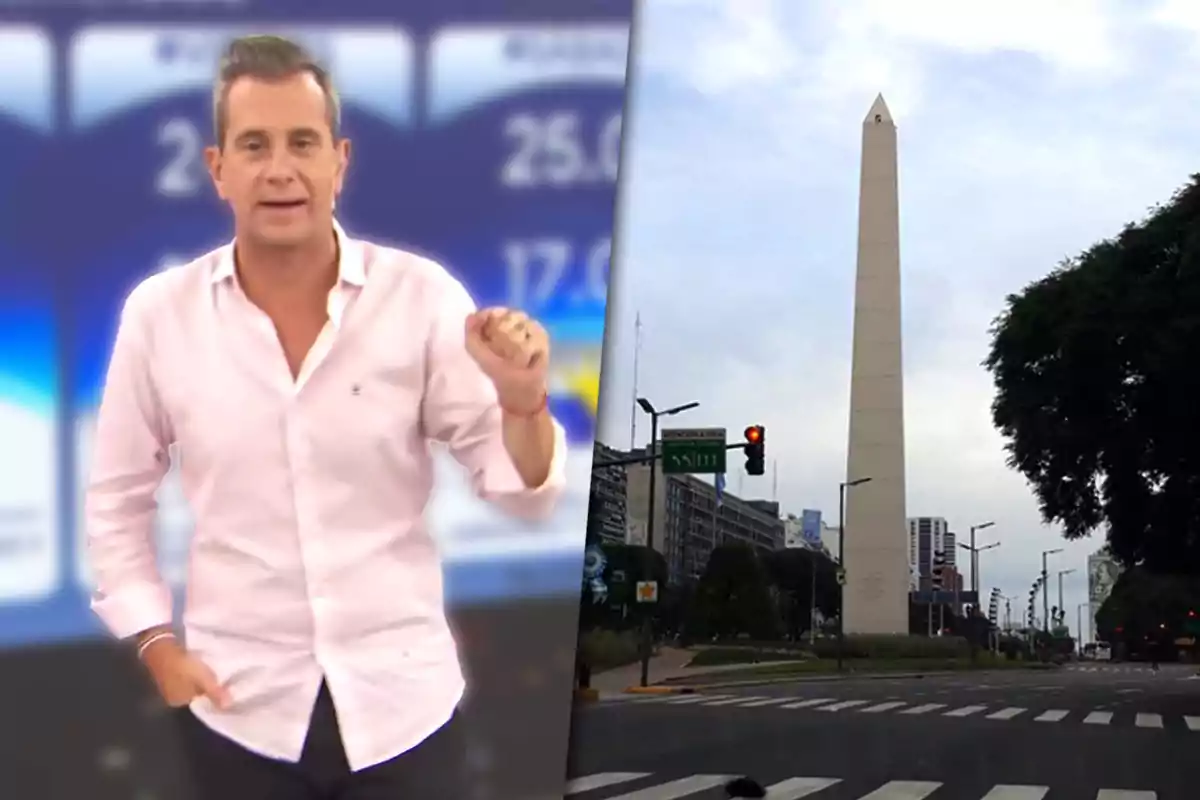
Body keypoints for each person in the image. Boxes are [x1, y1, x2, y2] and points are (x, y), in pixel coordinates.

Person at [85, 35, 566, 799]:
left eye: (302, 143)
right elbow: (115, 498)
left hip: (404, 714)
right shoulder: (159, 316)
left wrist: (521, 399)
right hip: (236, 712)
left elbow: (521, 488)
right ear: (219, 169)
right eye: (255, 145)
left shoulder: (422, 297)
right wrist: (155, 644)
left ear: (339, 161)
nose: (281, 169)